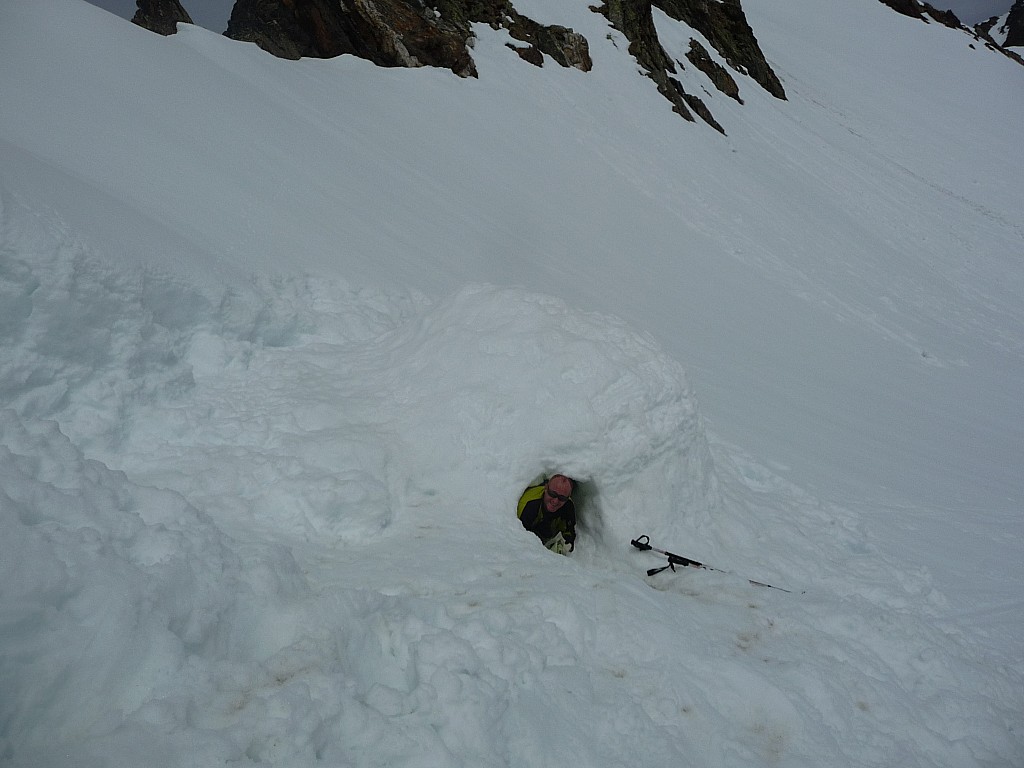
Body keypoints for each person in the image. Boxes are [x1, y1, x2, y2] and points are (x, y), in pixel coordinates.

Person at [517, 474, 577, 554]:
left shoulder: (568, 506)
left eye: (562, 498)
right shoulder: (529, 506)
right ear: (546, 488)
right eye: (552, 494)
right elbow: (518, 538)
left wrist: (564, 544)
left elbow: (569, 533)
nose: (555, 501)